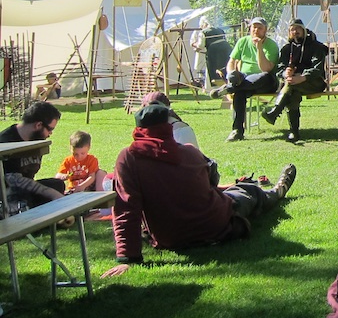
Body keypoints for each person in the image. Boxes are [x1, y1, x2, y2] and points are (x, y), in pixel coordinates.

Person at [102, 102, 297, 278]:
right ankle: (276, 192)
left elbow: (127, 207)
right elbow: (126, 207)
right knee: (248, 192)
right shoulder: (187, 152)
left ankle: (268, 192)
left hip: (171, 237)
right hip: (215, 226)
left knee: (237, 194)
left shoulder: (130, 158)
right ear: (168, 128)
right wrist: (127, 259)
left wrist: (128, 257)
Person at [212, 17, 280, 142]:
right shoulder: (243, 41)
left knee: (261, 77)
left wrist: (259, 48)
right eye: (254, 27)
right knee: (239, 91)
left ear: (266, 30)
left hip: (267, 81)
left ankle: (228, 89)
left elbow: (266, 69)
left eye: (260, 28)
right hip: (244, 80)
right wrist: (230, 75)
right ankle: (237, 131)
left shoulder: (271, 45)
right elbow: (231, 62)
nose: (256, 30)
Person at [261, 18, 329, 142]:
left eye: (297, 28)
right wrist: (285, 73)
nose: (295, 31)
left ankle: (275, 112)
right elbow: (279, 69)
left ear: (303, 30)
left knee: (290, 86)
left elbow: (318, 69)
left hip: (314, 82)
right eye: (292, 29)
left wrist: (303, 77)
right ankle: (294, 133)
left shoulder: (316, 47)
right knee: (292, 93)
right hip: (293, 83)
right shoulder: (287, 49)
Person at [1, 101, 67, 212]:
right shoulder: (5, 142)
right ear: (38, 125)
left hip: (27, 190)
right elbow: (13, 180)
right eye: (50, 129)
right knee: (25, 196)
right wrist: (51, 193)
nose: (50, 134)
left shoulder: (37, 139)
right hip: (7, 193)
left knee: (57, 185)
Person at [190, 17, 209, 91]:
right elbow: (192, 43)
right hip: (200, 54)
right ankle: (202, 86)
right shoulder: (197, 31)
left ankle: (207, 86)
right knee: (199, 71)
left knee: (207, 71)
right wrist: (198, 45)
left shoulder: (208, 31)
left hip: (208, 53)